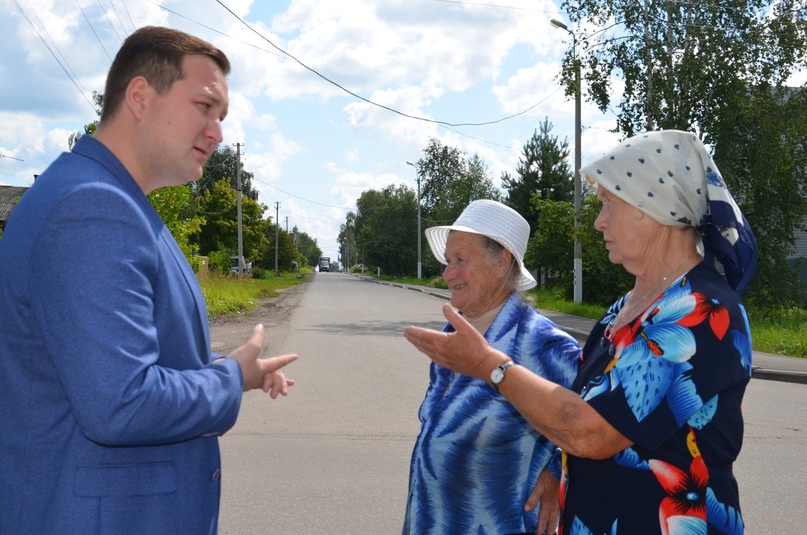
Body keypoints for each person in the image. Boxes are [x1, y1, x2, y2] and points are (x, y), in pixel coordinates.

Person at [0, 26, 297, 534]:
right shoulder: (93, 209)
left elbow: (111, 361)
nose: (217, 132)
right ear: (140, 96)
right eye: (205, 107)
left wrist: (215, 367)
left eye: (221, 116)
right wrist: (231, 378)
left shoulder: (110, 201)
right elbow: (122, 403)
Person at [404, 131, 757, 535]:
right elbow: (572, 409)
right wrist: (556, 469)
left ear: (652, 206)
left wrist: (490, 365)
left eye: (609, 202)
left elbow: (593, 432)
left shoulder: (700, 310)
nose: (598, 220)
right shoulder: (620, 312)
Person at [402, 200, 581, 535]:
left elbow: (598, 427)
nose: (447, 273)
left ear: (501, 263)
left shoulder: (544, 344)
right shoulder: (452, 336)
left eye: (460, 260)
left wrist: (558, 473)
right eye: (447, 261)